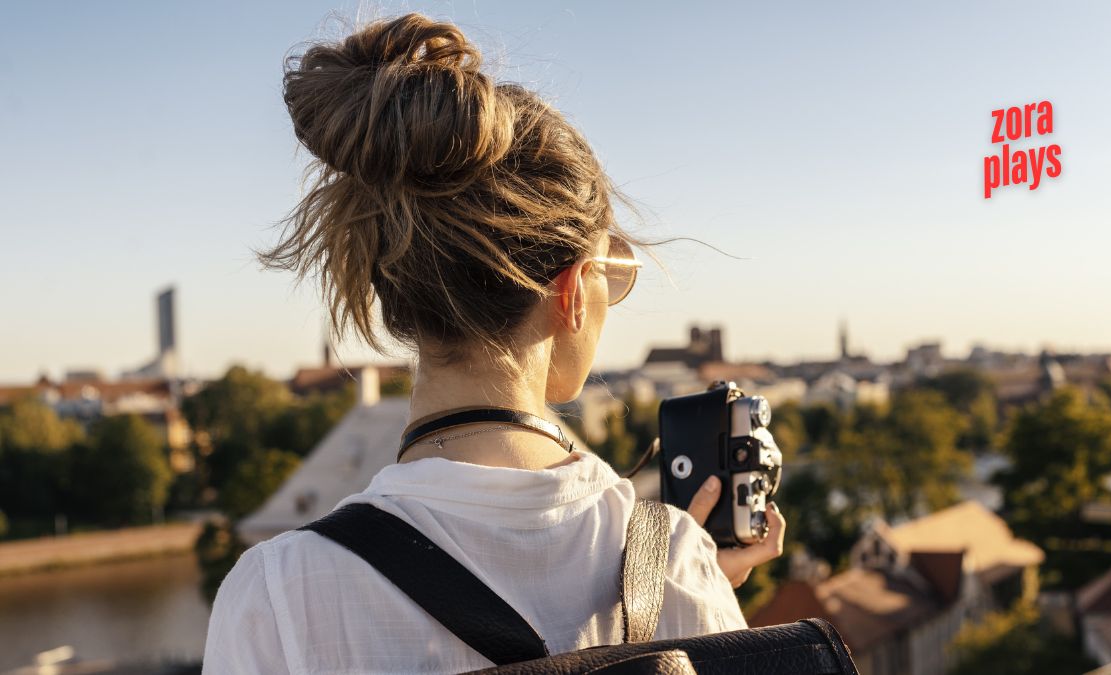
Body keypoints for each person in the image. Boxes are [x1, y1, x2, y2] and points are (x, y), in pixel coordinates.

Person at [202, 12, 785, 674]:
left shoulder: (278, 594)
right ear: (570, 292)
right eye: (609, 275)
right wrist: (694, 600)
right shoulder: (675, 561)